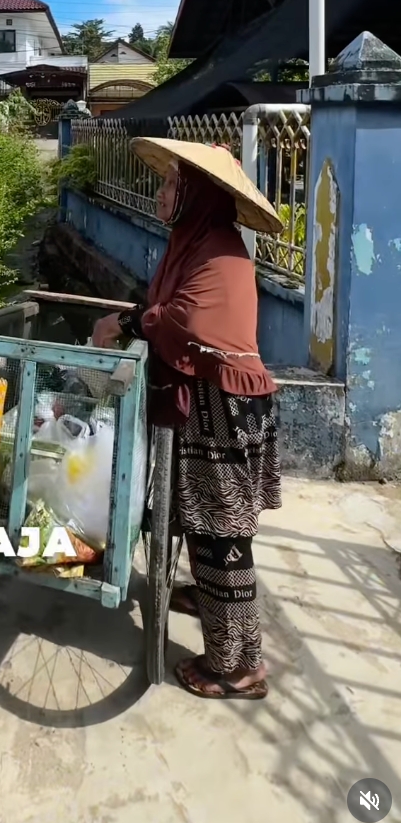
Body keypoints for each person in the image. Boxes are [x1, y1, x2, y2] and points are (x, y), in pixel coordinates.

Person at [92, 139, 283, 700]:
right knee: (200, 522)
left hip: (220, 409)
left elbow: (185, 324)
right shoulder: (195, 243)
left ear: (195, 193)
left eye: (173, 183)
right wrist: (133, 317)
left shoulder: (219, 250)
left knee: (221, 532)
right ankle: (210, 599)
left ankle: (238, 667)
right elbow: (162, 307)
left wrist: (128, 324)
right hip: (203, 402)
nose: (162, 192)